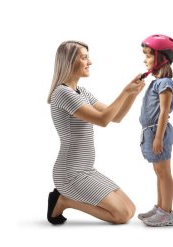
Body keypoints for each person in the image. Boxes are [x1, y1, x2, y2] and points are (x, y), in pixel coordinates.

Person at [46, 40, 145, 225]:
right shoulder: (62, 93)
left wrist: (133, 94)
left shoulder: (82, 92)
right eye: (84, 57)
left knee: (130, 209)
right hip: (70, 173)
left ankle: (65, 198)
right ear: (68, 61)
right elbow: (102, 120)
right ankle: (64, 200)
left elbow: (115, 117)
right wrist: (125, 91)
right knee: (121, 216)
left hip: (86, 169)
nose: (90, 62)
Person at [137, 34, 173, 227]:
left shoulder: (165, 83)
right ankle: (161, 207)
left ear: (161, 58)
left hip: (158, 132)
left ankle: (167, 213)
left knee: (164, 173)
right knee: (159, 172)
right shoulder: (156, 82)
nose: (144, 59)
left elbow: (163, 112)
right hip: (152, 131)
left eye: (148, 55)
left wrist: (158, 138)